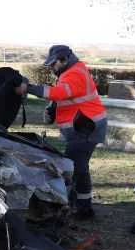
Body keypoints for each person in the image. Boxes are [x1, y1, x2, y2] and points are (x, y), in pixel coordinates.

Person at [26, 45, 107, 220]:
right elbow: (67, 97)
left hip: (87, 127)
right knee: (76, 166)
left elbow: (60, 93)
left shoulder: (75, 72)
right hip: (83, 125)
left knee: (76, 167)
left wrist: (28, 88)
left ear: (64, 60)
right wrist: (53, 110)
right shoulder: (69, 72)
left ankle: (83, 209)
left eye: (53, 64)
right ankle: (79, 204)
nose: (51, 67)